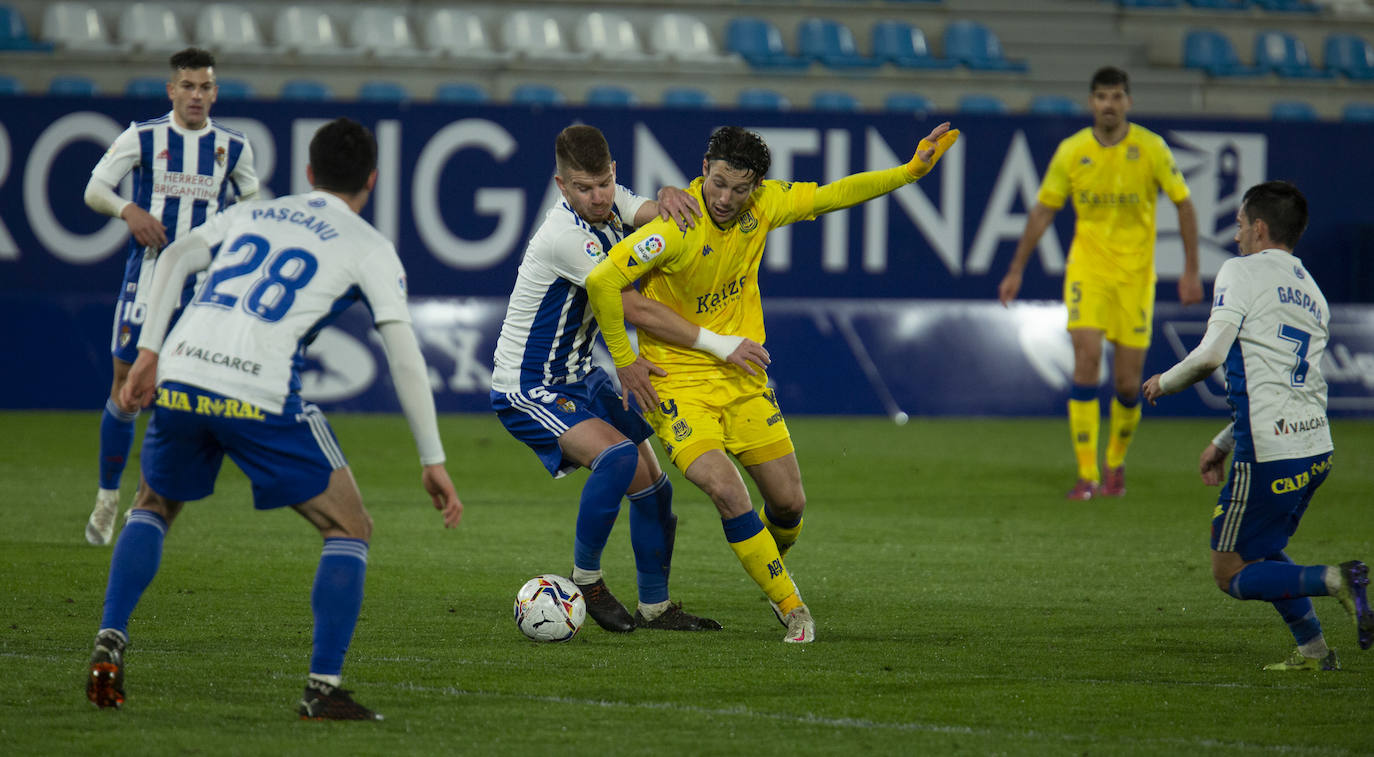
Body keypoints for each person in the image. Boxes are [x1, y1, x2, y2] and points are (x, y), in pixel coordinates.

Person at [86, 118, 464, 720]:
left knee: (153, 503)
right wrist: (432, 460)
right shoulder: (368, 246)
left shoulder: (257, 212)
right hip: (257, 388)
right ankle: (321, 689)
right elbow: (404, 356)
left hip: (182, 371)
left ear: (309, 172)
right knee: (350, 528)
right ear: (372, 179)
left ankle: (109, 640)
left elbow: (179, 253)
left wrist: (151, 351)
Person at [584, 122, 959, 644]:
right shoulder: (675, 226)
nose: (725, 198)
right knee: (725, 489)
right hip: (678, 384)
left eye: (740, 189)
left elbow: (834, 194)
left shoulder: (765, 207)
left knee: (788, 505)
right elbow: (604, 282)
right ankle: (792, 607)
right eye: (718, 182)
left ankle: (764, 563)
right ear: (703, 172)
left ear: (756, 187)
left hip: (743, 379)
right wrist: (625, 361)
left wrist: (910, 171)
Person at [492, 125, 768, 633]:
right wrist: (719, 345)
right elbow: (631, 304)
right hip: (529, 385)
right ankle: (586, 580)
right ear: (561, 186)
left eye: (603, 184)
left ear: (613, 172)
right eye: (582, 189)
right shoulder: (564, 237)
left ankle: (656, 608)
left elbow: (658, 213)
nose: (597, 198)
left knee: (654, 492)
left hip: (580, 376)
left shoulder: (613, 200)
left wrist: (671, 195)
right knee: (617, 458)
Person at [1143, 180, 1371, 670]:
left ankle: (1337, 580)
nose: (1236, 235)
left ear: (1260, 227)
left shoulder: (1241, 272)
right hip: (1315, 448)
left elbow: (1209, 356)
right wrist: (1223, 441)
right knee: (1263, 549)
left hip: (1269, 450)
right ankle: (1314, 652)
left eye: (1242, 224)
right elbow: (1285, 382)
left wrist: (1164, 381)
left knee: (1230, 572)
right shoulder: (1314, 293)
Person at [998, 65, 1202, 501]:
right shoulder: (1072, 152)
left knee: (1129, 384)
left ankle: (1115, 463)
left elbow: (1184, 206)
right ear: (1092, 102)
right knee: (1086, 360)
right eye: (1102, 97)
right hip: (1087, 272)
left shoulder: (1151, 148)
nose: (1109, 105)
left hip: (1135, 278)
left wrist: (1189, 270)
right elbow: (1043, 212)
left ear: (1128, 102)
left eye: (1116, 97)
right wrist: (1016, 268)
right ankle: (1088, 474)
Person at [83, 47, 259, 545]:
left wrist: (227, 242)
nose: (196, 95)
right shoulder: (144, 136)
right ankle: (105, 497)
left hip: (202, 291)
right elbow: (95, 188)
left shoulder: (234, 147)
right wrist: (128, 212)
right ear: (172, 90)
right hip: (147, 280)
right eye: (188, 85)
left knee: (175, 392)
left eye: (205, 86)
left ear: (215, 92)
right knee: (127, 389)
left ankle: (145, 503)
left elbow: (252, 208)